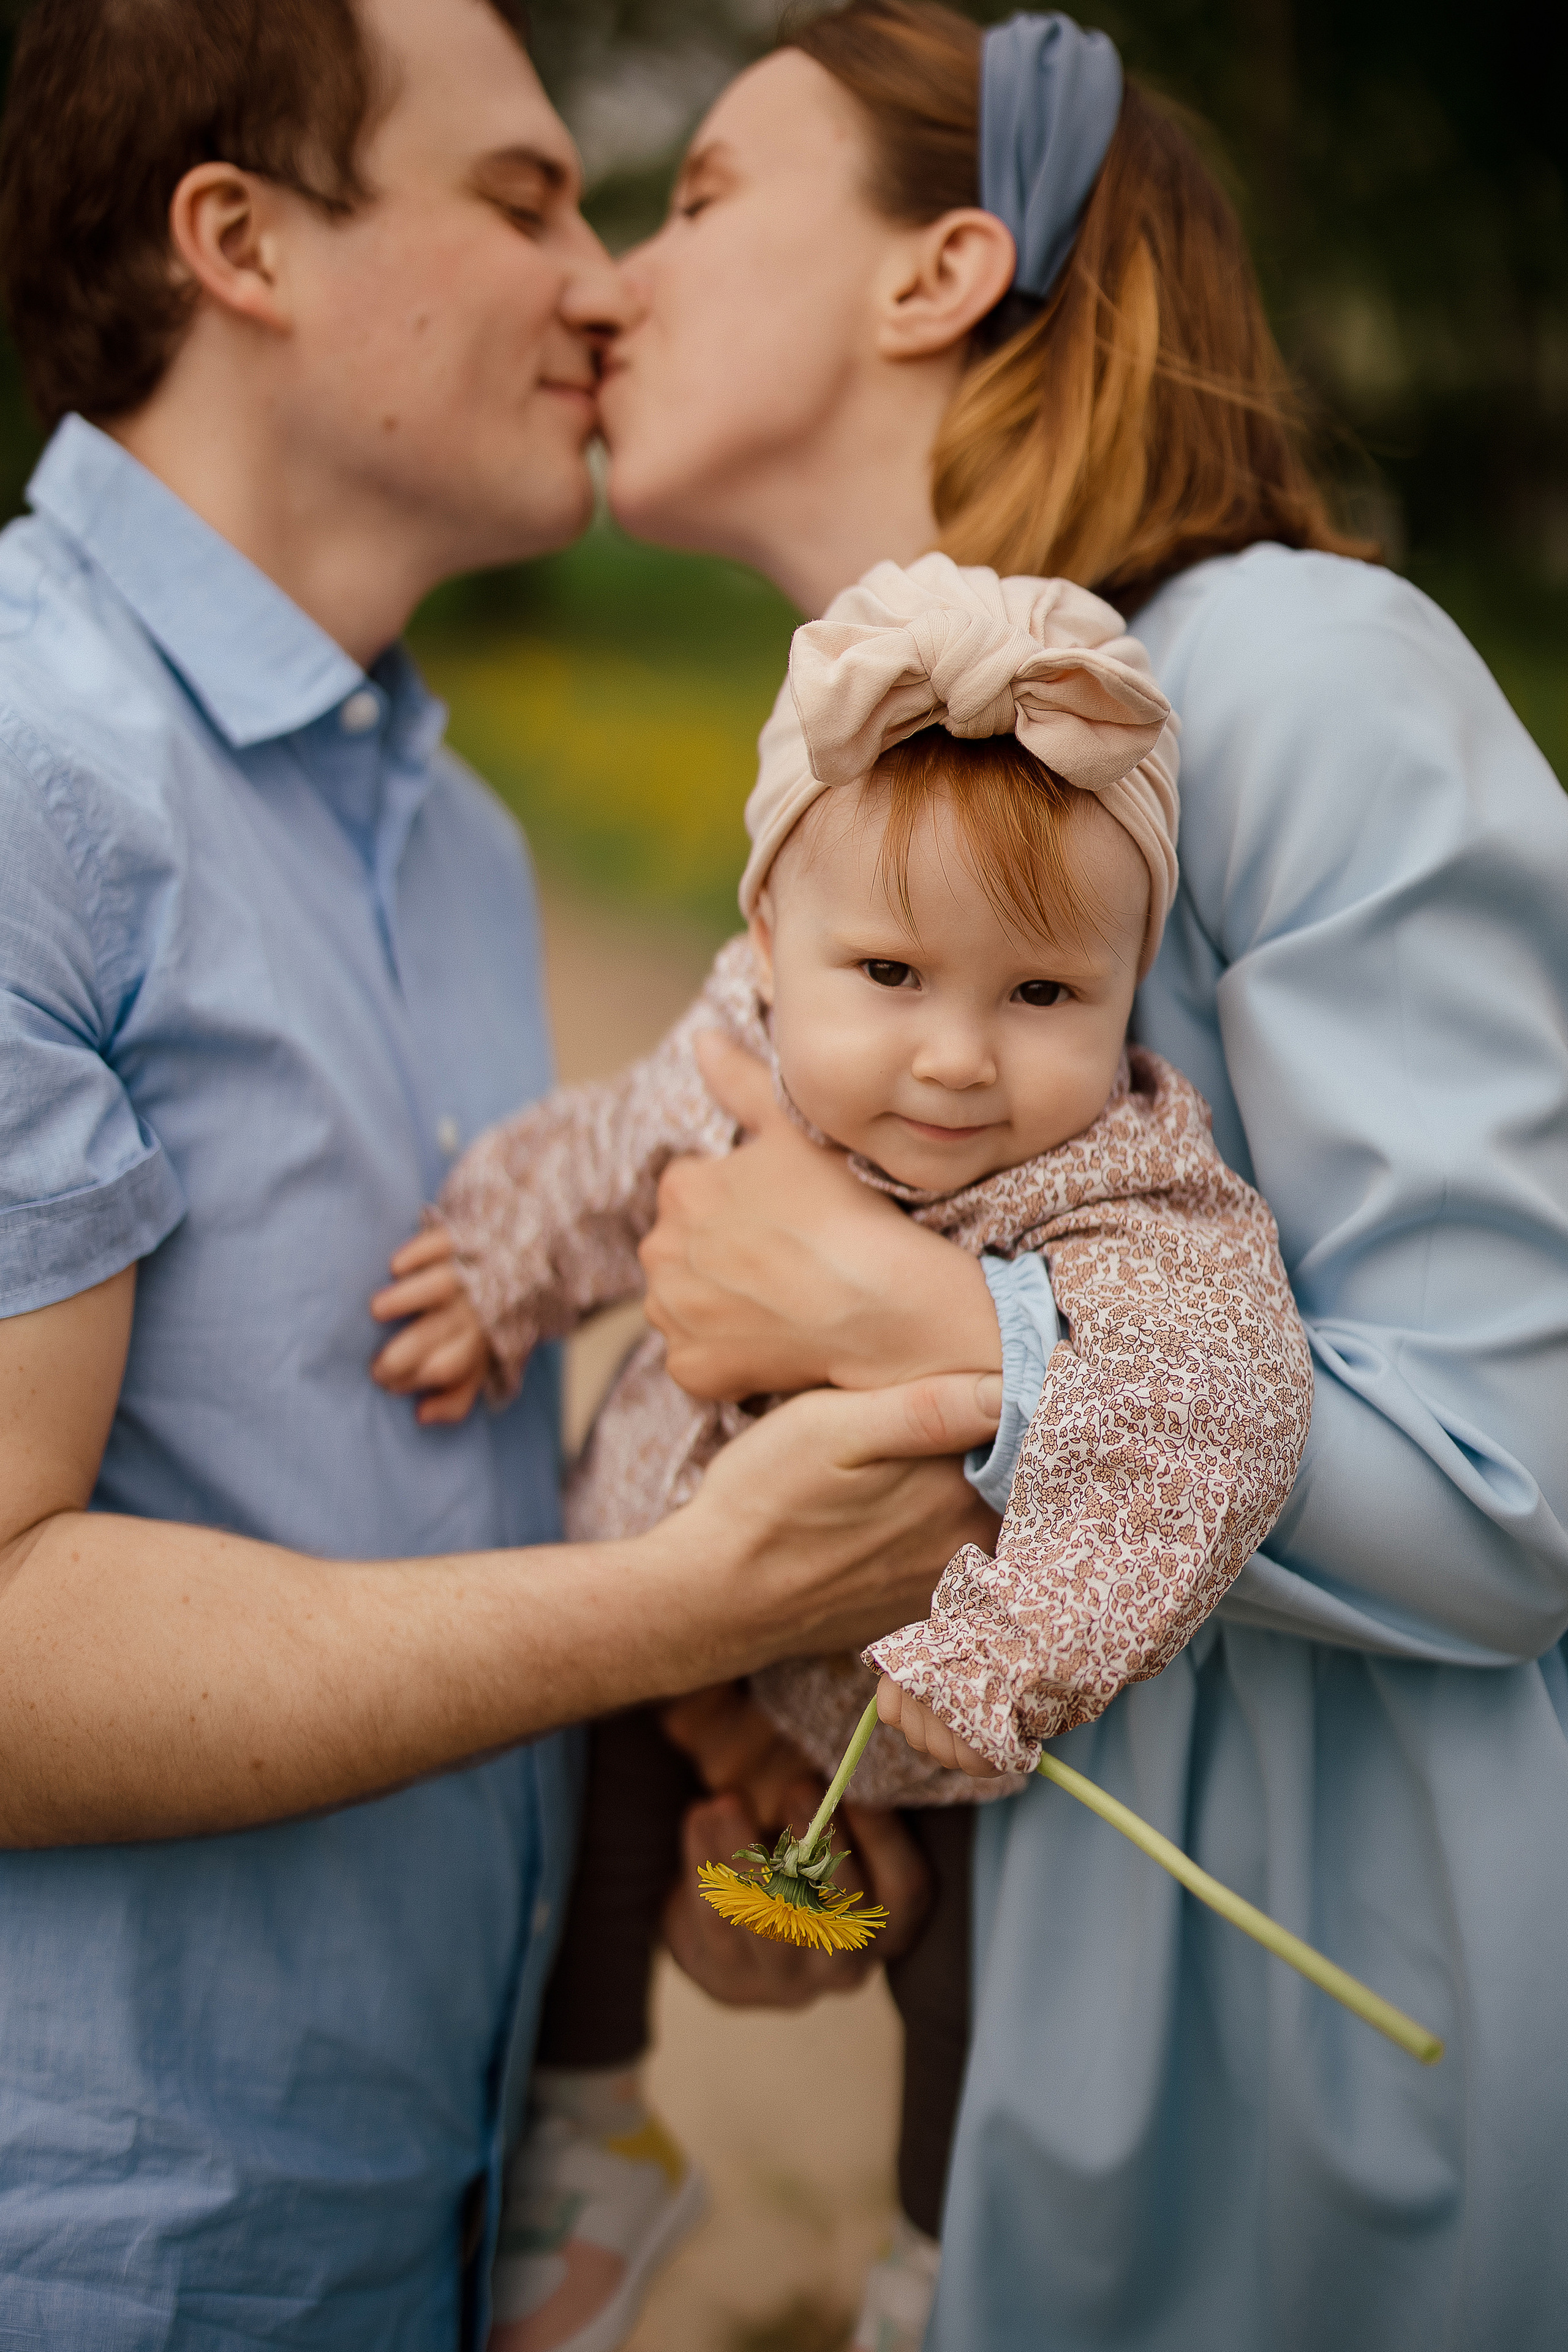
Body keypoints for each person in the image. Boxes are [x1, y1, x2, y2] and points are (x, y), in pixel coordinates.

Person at [0, 1, 1001, 2341]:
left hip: (427, 2238)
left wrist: (699, 1747)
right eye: (526, 199)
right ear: (239, 242)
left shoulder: (451, 836)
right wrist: (683, 1606)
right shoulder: (28, 774)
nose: (606, 281)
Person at [594, 6, 1568, 2349]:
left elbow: (1518, 1481)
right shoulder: (856, 821)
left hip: (1336, 2140)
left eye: (701, 192)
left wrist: (890, 1320)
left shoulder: (1299, 677)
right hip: (1023, 2089)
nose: (615, 280)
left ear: (940, 273)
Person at [373, 551, 1312, 2350]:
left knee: (970, 1968)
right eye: (887, 971)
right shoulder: (743, 1056)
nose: (957, 1059)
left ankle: (936, 2251)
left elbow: (1224, 1402)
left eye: (1043, 996)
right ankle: (586, 2118)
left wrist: (1016, 1652)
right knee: (586, 1791)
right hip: (680, 1616)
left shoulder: (1129, 1188)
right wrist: (497, 1265)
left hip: (922, 1695)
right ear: (767, 942)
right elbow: (603, 1157)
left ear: (1127, 992)